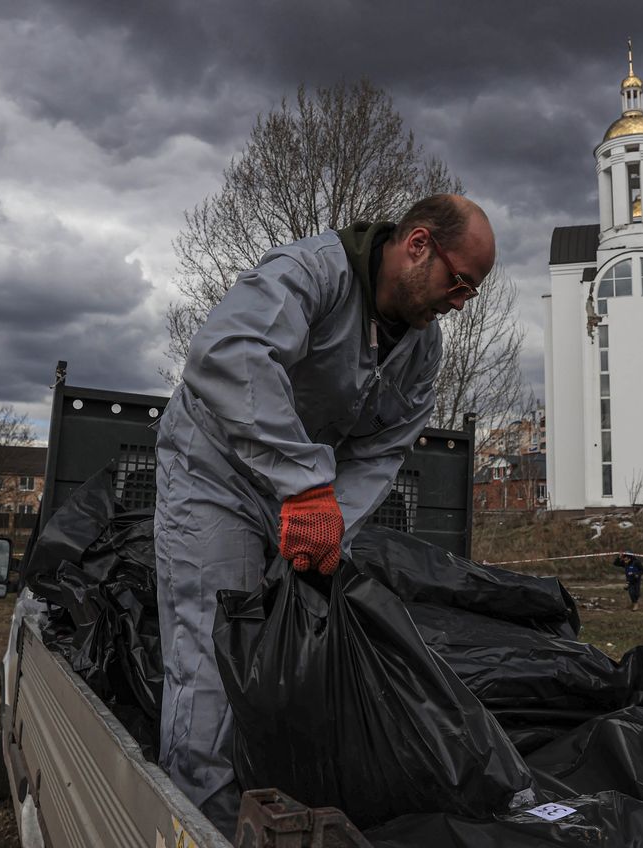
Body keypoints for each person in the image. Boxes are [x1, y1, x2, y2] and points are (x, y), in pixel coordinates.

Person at [153, 193, 496, 832]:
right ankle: (199, 826)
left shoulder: (422, 353)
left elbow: (380, 453)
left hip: (294, 495)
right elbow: (226, 355)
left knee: (282, 661)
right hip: (215, 472)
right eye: (460, 284)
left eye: (468, 294)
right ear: (418, 244)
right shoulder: (313, 272)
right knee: (213, 654)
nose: (459, 301)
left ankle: (259, 808)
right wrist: (307, 486)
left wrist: (327, 519)